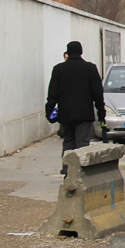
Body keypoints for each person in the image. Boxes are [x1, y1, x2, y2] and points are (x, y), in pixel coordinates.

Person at [45, 41, 106, 176]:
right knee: (82, 142)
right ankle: (81, 170)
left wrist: (49, 111)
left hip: (66, 114)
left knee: (68, 140)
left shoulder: (59, 69)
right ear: (81, 52)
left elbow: (52, 93)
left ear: (68, 52)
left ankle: (67, 169)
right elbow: (97, 93)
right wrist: (101, 113)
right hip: (84, 113)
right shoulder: (90, 68)